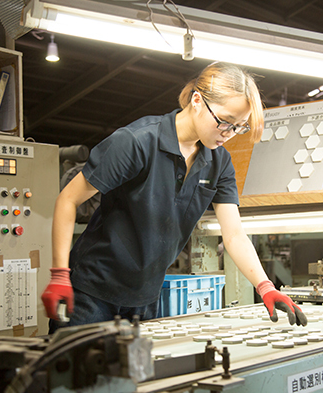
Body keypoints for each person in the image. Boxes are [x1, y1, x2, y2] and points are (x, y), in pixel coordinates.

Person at [41, 62, 307, 332]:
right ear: (197, 101)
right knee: (76, 361)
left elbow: (234, 235)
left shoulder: (219, 163)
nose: (229, 134)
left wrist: (265, 286)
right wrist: (60, 274)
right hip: (91, 291)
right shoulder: (137, 142)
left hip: (146, 297)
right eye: (225, 122)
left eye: (239, 127)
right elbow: (68, 200)